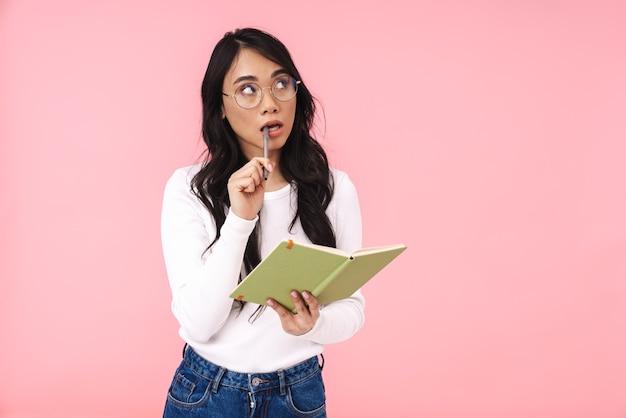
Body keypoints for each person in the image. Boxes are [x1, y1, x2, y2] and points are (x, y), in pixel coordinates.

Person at [161, 27, 365, 417]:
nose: (270, 104)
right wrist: (240, 219)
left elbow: (353, 310)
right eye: (248, 89)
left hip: (297, 395)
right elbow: (200, 324)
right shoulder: (187, 189)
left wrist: (314, 324)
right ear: (219, 106)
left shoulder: (334, 189)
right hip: (206, 394)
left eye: (281, 84)